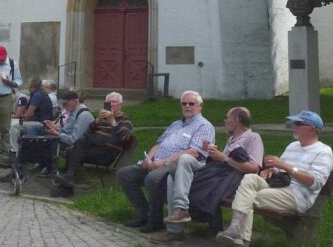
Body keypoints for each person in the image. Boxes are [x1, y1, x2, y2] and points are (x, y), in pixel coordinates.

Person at [216, 110, 333, 247]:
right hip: (279, 186)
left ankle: (240, 237)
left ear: (312, 129)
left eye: (298, 124)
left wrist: (284, 165)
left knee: (247, 196)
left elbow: (314, 182)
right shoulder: (292, 146)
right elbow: (280, 168)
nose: (293, 126)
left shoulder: (324, 152)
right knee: (250, 179)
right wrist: (272, 169)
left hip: (297, 195)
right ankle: (237, 233)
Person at [151, 106, 264, 243]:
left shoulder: (253, 137)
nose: (225, 121)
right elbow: (225, 161)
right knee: (172, 177)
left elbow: (253, 168)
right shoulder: (233, 139)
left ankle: (181, 211)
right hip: (217, 175)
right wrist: (211, 151)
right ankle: (175, 228)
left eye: (226, 118)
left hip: (231, 181)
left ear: (236, 120)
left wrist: (224, 158)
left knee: (185, 161)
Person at [117, 90, 213, 232]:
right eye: (184, 103)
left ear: (200, 106)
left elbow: (194, 152)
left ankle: (155, 220)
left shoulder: (204, 126)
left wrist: (163, 163)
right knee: (125, 174)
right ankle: (145, 213)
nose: (187, 106)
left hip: (176, 166)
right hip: (157, 162)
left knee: (152, 178)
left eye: (191, 103)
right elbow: (159, 143)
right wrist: (149, 158)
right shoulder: (176, 124)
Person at [53, 90, 129, 189]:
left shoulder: (125, 119)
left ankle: (67, 179)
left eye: (114, 102)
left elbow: (124, 137)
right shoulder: (103, 118)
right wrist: (97, 121)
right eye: (109, 102)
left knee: (74, 150)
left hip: (107, 153)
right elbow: (89, 131)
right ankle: (68, 177)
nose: (112, 104)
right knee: (80, 143)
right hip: (93, 148)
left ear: (120, 104)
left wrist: (113, 121)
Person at [3, 78, 55, 174]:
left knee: (14, 126)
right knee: (17, 125)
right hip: (41, 122)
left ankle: (14, 154)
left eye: (28, 86)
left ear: (32, 87)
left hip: (40, 124)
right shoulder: (40, 93)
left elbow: (29, 114)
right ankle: (16, 155)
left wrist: (19, 118)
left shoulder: (37, 95)